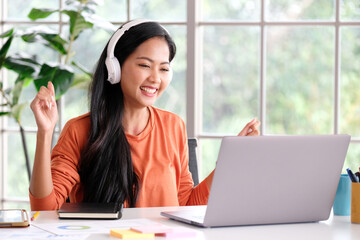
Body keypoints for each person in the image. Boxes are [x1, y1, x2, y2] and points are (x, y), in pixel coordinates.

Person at [29, 19, 260, 211]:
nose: (155, 79)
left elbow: (186, 205)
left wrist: (231, 162)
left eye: (164, 68)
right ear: (115, 69)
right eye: (144, 65)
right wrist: (45, 133)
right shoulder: (79, 130)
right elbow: (44, 209)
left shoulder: (173, 126)